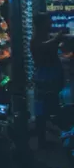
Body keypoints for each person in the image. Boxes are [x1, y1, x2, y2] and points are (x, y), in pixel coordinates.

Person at [30, 13, 62, 148]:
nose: (50, 24)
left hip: (51, 75)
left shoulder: (46, 38)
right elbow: (42, 47)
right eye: (48, 22)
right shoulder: (37, 40)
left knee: (49, 107)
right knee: (42, 109)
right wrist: (57, 39)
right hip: (44, 76)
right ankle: (42, 140)